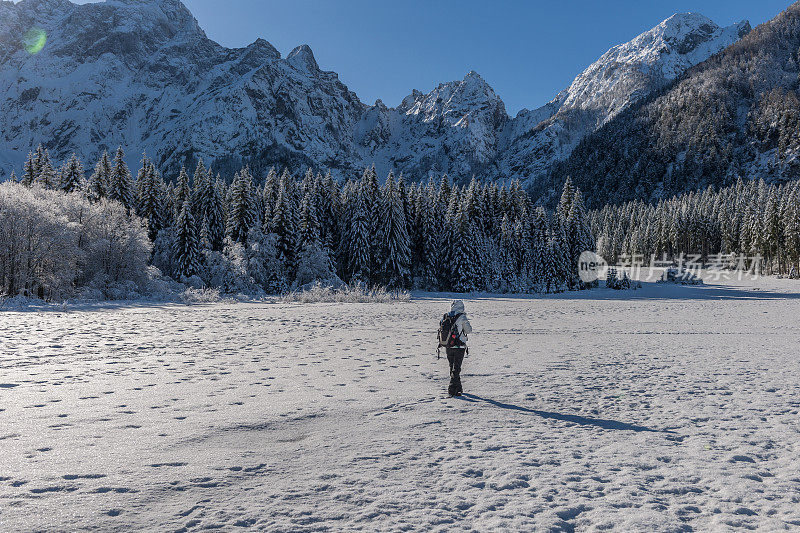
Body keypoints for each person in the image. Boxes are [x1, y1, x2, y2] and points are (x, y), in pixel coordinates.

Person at [440, 300, 472, 397]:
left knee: (452, 367)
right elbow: (469, 330)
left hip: (448, 345)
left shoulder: (446, 316)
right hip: (459, 346)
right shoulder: (462, 317)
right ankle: (452, 388)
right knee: (456, 368)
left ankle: (458, 389)